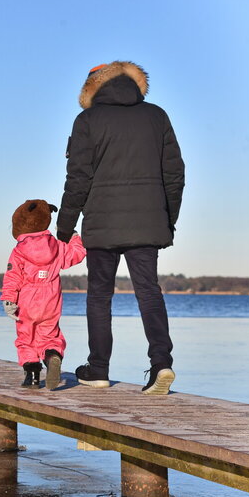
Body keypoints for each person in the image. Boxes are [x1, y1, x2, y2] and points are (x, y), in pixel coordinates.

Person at [56, 61, 185, 395]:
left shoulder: (87, 121)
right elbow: (174, 173)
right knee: (148, 290)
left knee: (100, 294)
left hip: (102, 222)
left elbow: (78, 178)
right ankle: (162, 363)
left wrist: (65, 227)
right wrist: (167, 218)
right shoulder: (156, 116)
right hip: (148, 221)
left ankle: (98, 368)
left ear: (92, 87)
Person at [1, 199, 86, 389]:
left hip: (27, 296)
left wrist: (8, 298)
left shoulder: (19, 250)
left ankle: (32, 376)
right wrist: (74, 237)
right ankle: (52, 355)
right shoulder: (56, 246)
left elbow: (13, 275)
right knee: (49, 333)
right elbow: (77, 254)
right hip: (51, 295)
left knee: (26, 336)